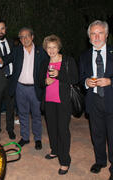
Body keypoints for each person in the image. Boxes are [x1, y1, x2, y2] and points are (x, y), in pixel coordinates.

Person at [79, 20, 113, 180]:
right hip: (93, 101)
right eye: (93, 33)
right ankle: (100, 161)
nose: (96, 37)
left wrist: (111, 81)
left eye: (100, 33)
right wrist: (86, 82)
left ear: (106, 35)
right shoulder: (84, 56)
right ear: (89, 36)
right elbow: (81, 77)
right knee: (97, 135)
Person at [0, 27, 48, 149]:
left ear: (32, 37)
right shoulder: (17, 50)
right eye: (22, 37)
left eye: (27, 36)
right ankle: (25, 137)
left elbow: (48, 65)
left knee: (36, 114)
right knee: (22, 114)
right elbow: (6, 59)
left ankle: (37, 138)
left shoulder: (40, 51)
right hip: (20, 87)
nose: (24, 39)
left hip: (35, 88)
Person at [38, 34, 78, 174]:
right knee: (52, 128)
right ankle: (55, 150)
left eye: (54, 47)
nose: (51, 50)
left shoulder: (68, 60)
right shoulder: (45, 63)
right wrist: (45, 81)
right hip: (49, 101)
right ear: (45, 49)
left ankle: (65, 160)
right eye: (49, 47)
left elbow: (74, 78)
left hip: (63, 102)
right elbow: (39, 81)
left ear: (58, 47)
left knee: (63, 130)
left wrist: (58, 74)